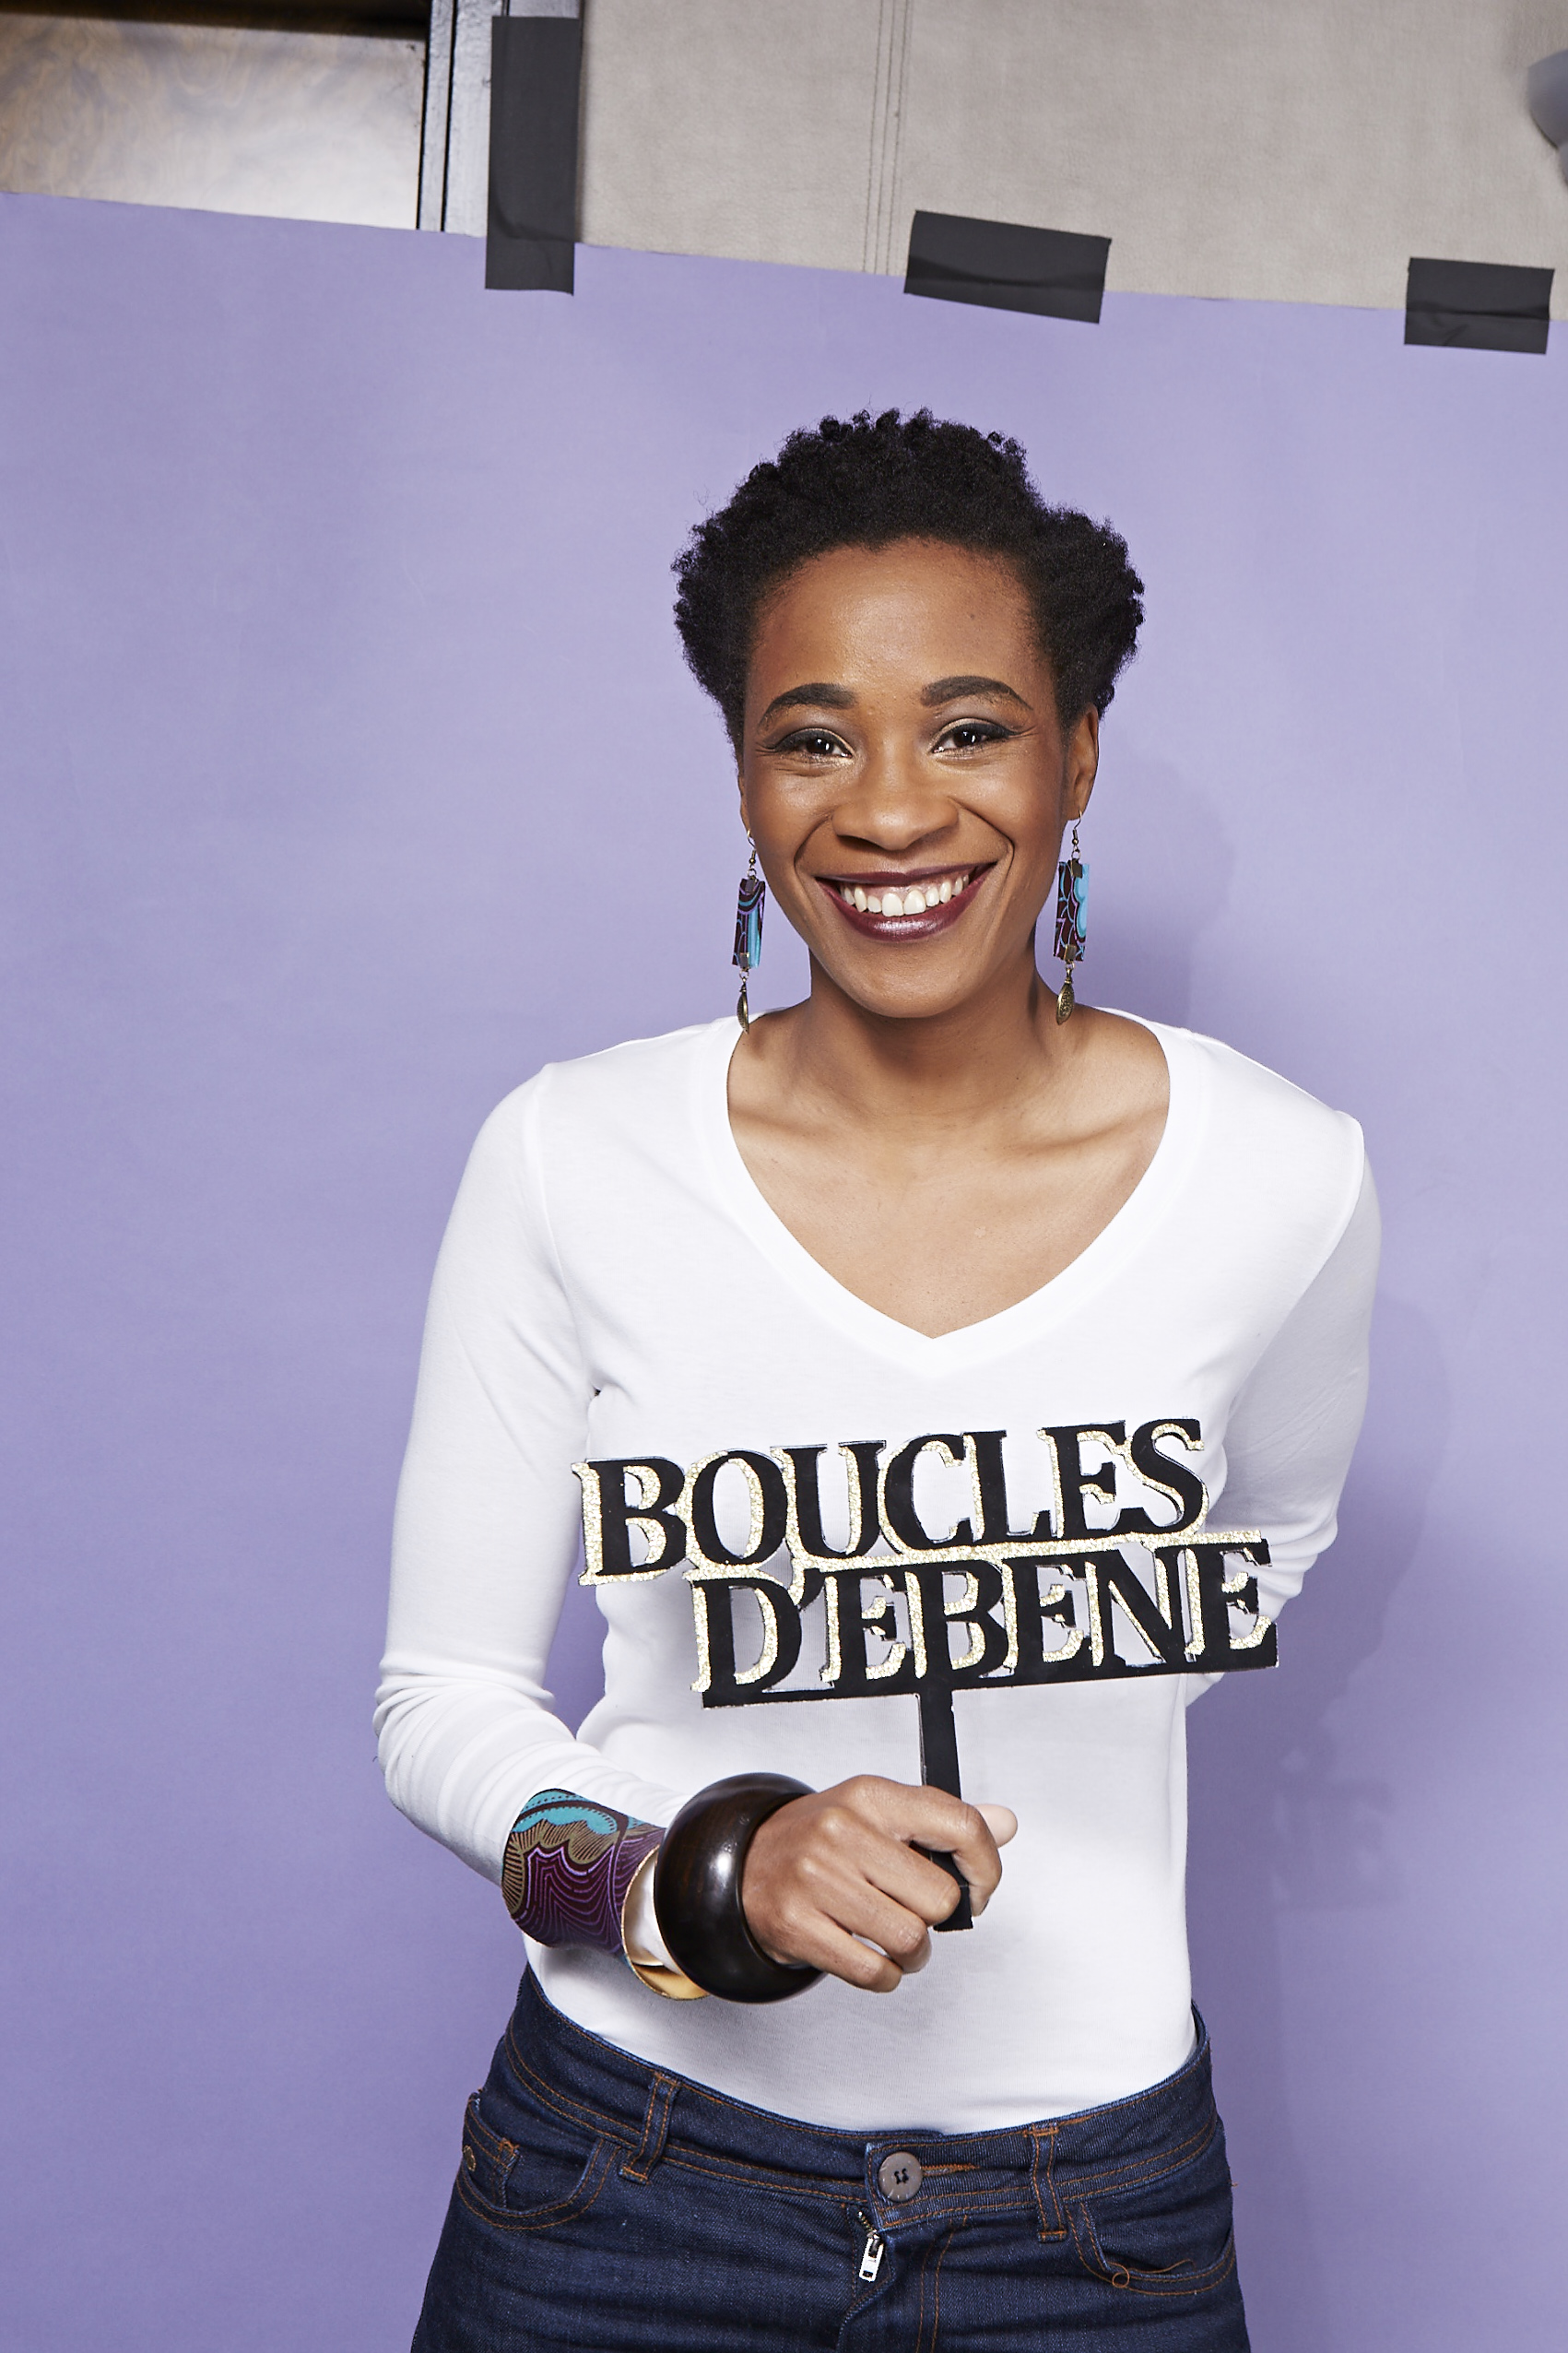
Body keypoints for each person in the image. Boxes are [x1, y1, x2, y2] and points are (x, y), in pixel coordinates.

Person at [377, 409, 1378, 2350]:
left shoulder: (1282, 1175)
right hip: (618, 2182)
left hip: (1093, 2222)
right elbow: (440, 1709)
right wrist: (686, 1876)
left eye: (970, 728)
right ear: (744, 780)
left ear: (1077, 752)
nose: (891, 812)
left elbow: (1270, 1537)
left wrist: (1018, 1630)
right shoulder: (572, 1155)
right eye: (813, 738)